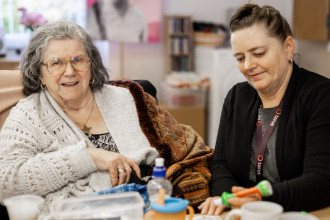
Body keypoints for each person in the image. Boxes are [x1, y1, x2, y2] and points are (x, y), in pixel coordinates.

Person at [0, 21, 213, 218]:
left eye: (78, 60)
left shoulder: (130, 98)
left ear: (91, 65)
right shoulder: (27, 114)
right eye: (56, 63)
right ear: (39, 74)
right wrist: (88, 157)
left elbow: (189, 151)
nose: (70, 71)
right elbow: (5, 182)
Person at [199, 3, 330, 215]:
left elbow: (321, 180)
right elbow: (221, 163)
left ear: (288, 47)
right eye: (240, 58)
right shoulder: (236, 97)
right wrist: (222, 197)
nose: (248, 65)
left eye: (258, 53)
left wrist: (259, 198)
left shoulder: (320, 95)